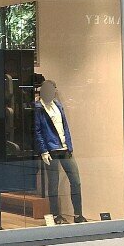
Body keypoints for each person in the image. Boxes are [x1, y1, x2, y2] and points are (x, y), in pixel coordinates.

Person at [34, 79, 86, 225]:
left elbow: (65, 126)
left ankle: (78, 214)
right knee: (53, 184)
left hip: (65, 149)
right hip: (51, 150)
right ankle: (56, 215)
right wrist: (43, 151)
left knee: (76, 181)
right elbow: (37, 131)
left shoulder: (58, 105)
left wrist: (69, 145)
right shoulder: (38, 108)